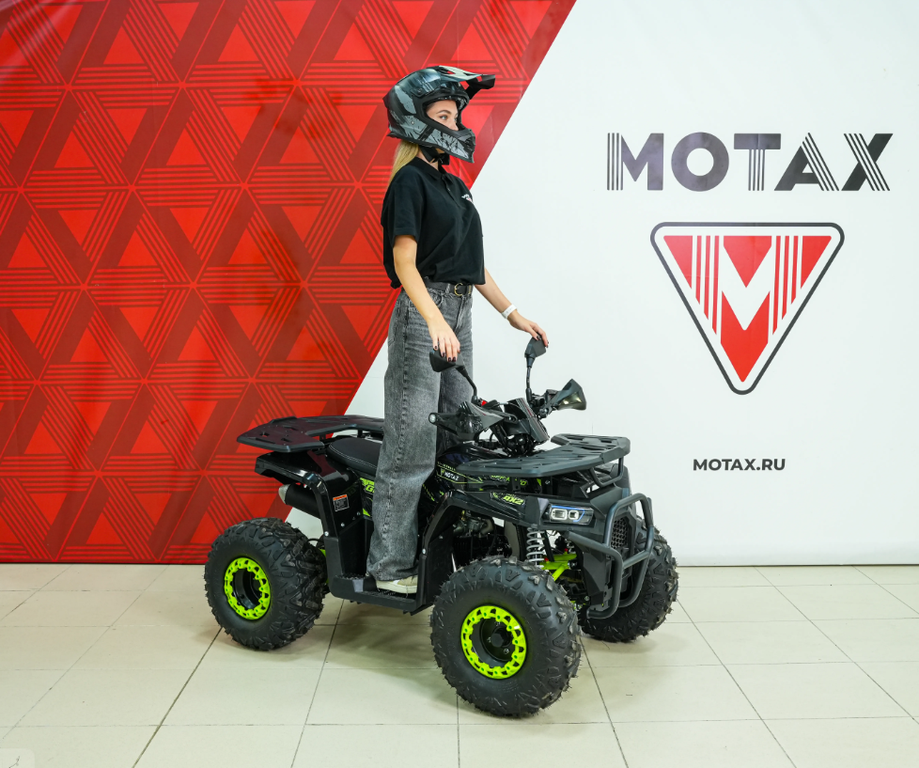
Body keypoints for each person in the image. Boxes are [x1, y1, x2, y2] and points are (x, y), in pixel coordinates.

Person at [366, 66, 548, 594]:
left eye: (454, 116)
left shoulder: (454, 185)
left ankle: (447, 552)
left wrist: (513, 314)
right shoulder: (409, 182)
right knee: (412, 445)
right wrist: (434, 320)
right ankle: (390, 568)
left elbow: (474, 265)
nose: (453, 125)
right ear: (416, 120)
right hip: (426, 312)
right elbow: (405, 265)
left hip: (459, 309)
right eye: (443, 116)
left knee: (459, 435)